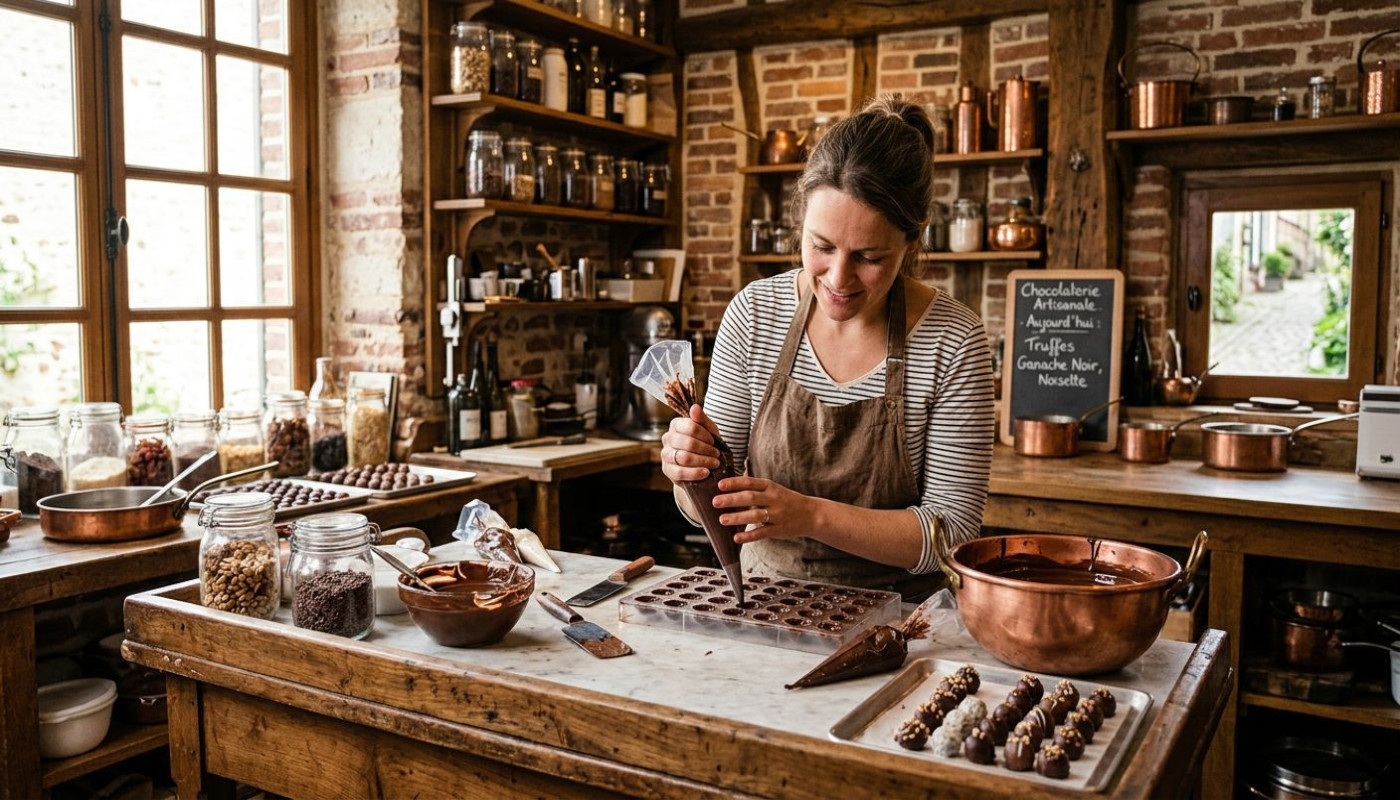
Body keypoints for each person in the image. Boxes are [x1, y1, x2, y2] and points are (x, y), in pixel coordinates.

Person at [660, 96, 995, 599]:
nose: (838, 279)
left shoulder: (953, 340)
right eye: (821, 246)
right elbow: (707, 502)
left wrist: (810, 514)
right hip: (765, 606)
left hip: (902, 625)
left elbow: (952, 534)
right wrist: (688, 474)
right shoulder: (755, 314)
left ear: (912, 239)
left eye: (869, 256)